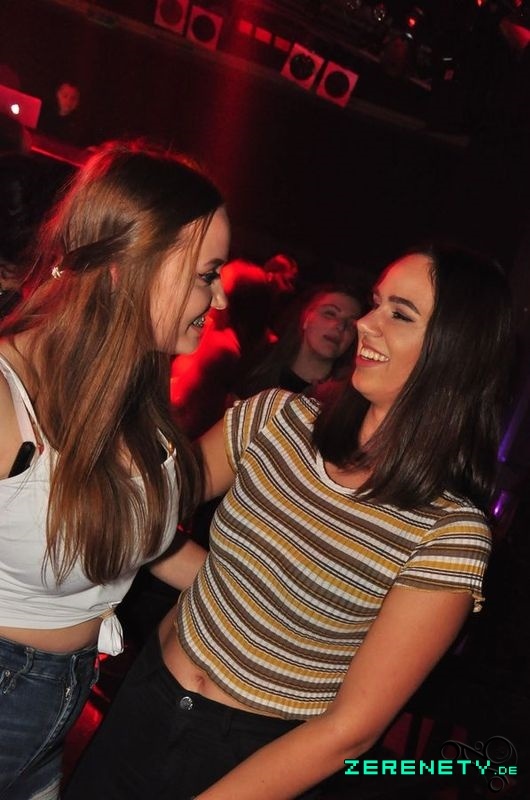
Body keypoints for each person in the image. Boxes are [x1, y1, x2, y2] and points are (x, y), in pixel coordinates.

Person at [65, 243, 513, 800]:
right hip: (148, 693)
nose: (365, 323)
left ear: (456, 353)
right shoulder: (277, 418)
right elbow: (142, 510)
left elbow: (350, 731)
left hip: (253, 759)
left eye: (400, 314)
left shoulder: (450, 532)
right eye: (376, 303)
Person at [0, 139, 230, 799]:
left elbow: (133, 538)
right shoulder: (7, 398)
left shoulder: (130, 396)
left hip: (57, 709)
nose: (217, 299)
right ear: (131, 269)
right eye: (206, 274)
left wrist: (261, 595)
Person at [240, 283, 366, 398]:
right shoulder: (255, 370)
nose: (341, 326)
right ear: (306, 318)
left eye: (351, 324)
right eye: (330, 313)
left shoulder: (344, 403)